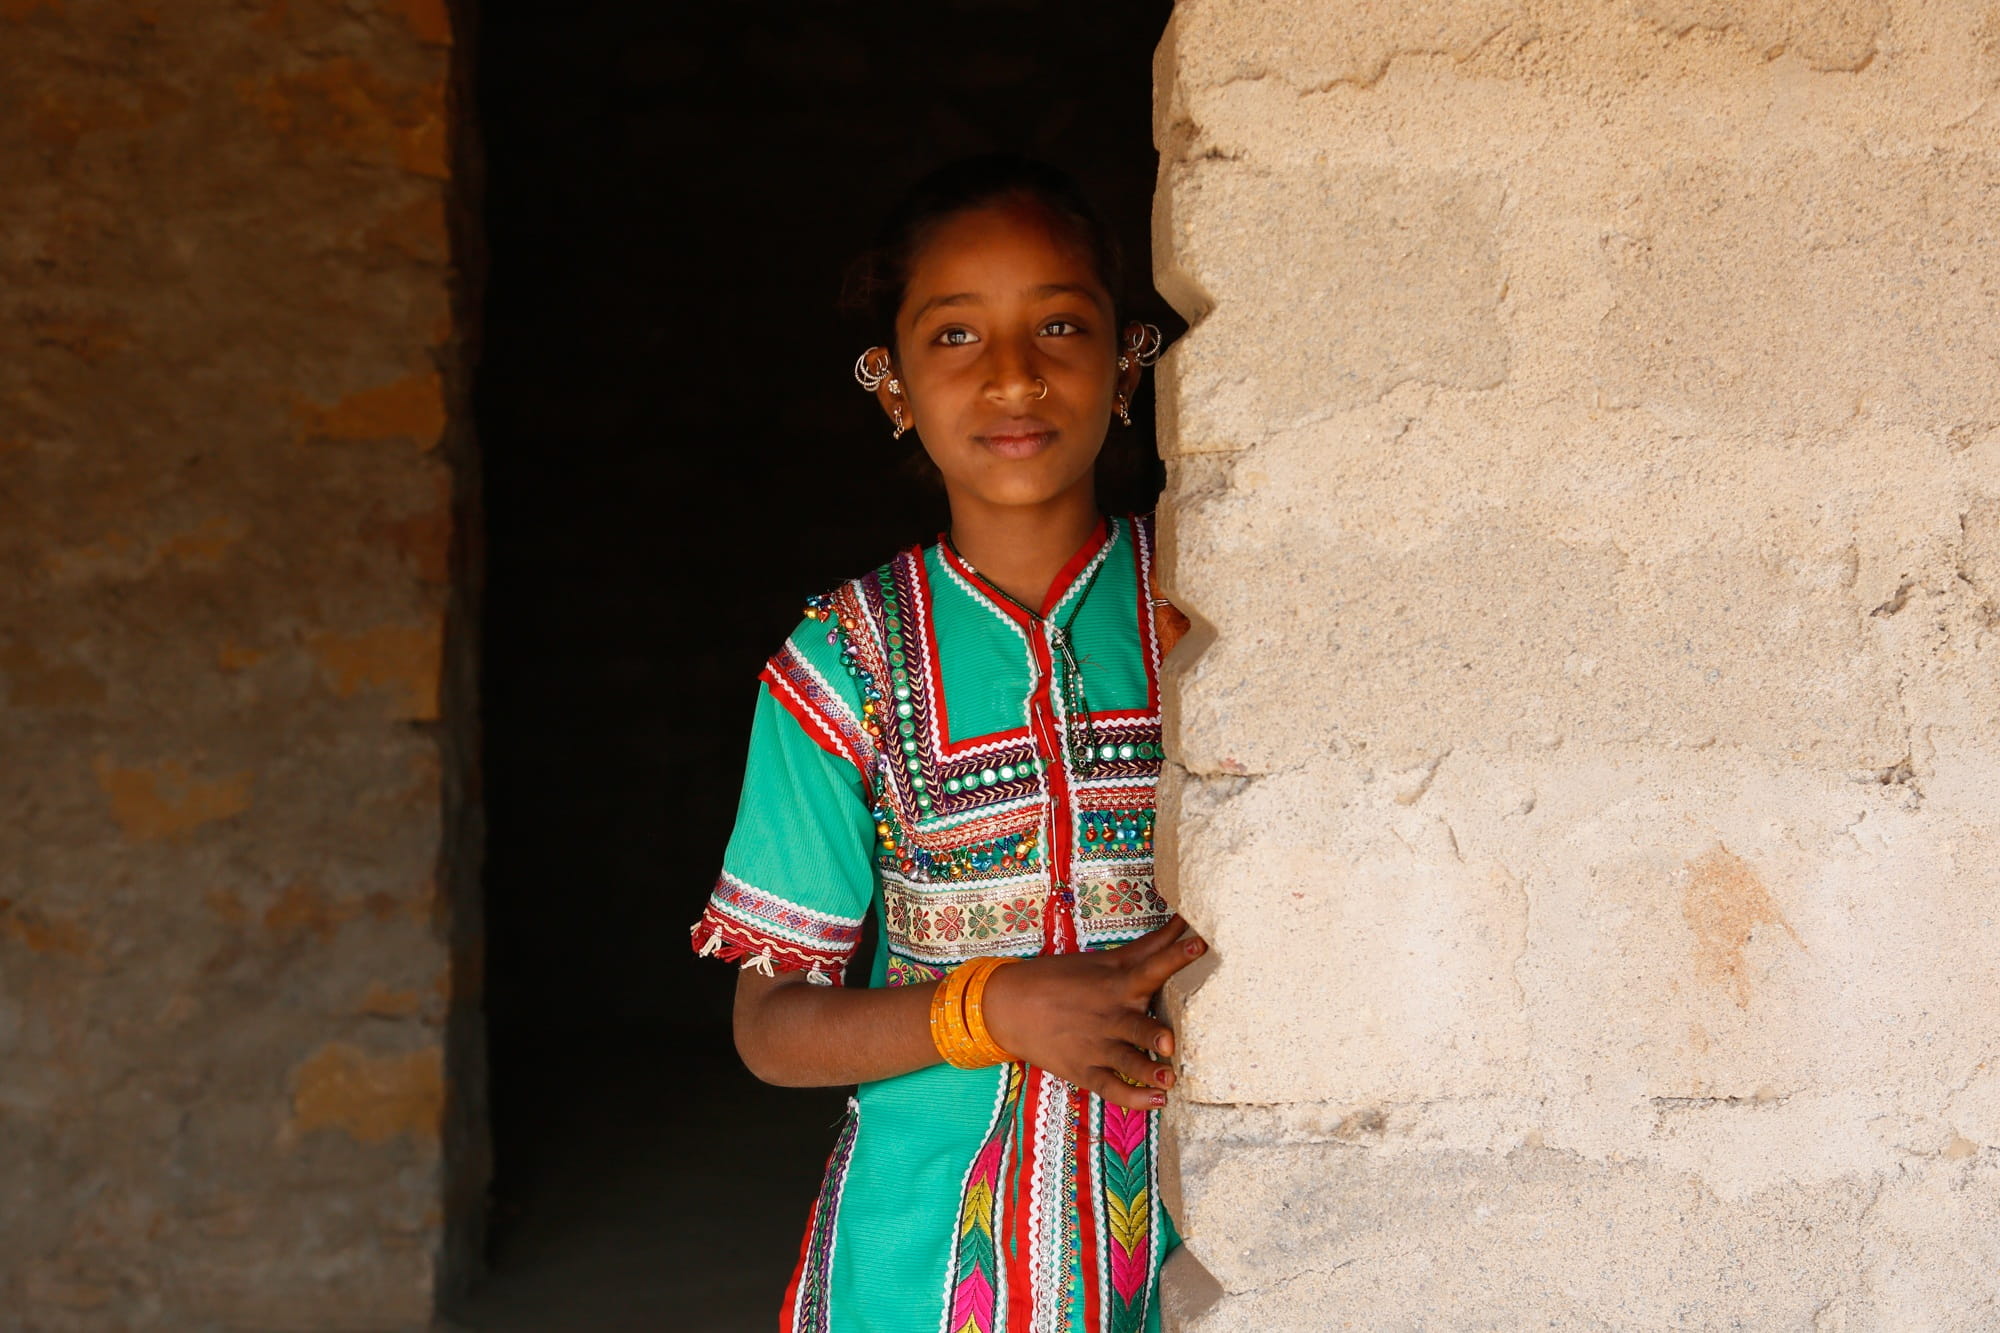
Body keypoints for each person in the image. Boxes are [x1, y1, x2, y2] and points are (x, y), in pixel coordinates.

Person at [690, 153, 1205, 1333]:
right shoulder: (842, 666)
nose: (1014, 377)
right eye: (956, 337)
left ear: (1129, 358)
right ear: (893, 388)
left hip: (1207, 1243)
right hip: (922, 1273)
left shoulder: (1206, 607)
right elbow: (769, 1027)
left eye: (1058, 325)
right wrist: (986, 1011)